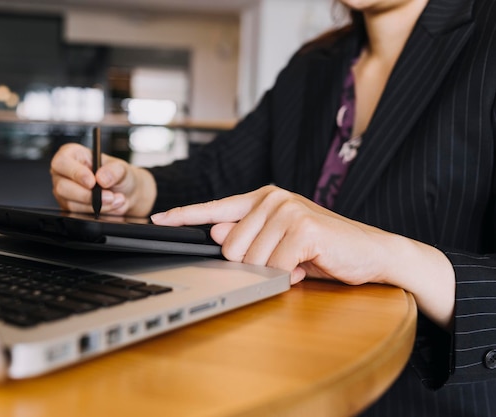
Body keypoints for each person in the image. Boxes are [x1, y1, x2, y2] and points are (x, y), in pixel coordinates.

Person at [50, 0, 496, 414]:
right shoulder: (314, 66)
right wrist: (132, 186)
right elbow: (217, 173)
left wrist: (388, 255)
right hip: (292, 376)